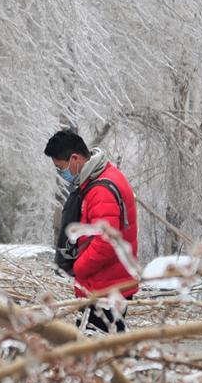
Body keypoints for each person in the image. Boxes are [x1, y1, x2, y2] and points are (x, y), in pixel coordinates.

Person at [44, 129, 138, 333]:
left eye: (61, 168)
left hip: (106, 289)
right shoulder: (101, 175)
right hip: (108, 284)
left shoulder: (100, 189)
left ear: (75, 158)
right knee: (109, 349)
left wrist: (78, 268)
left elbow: (106, 242)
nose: (62, 174)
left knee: (100, 352)